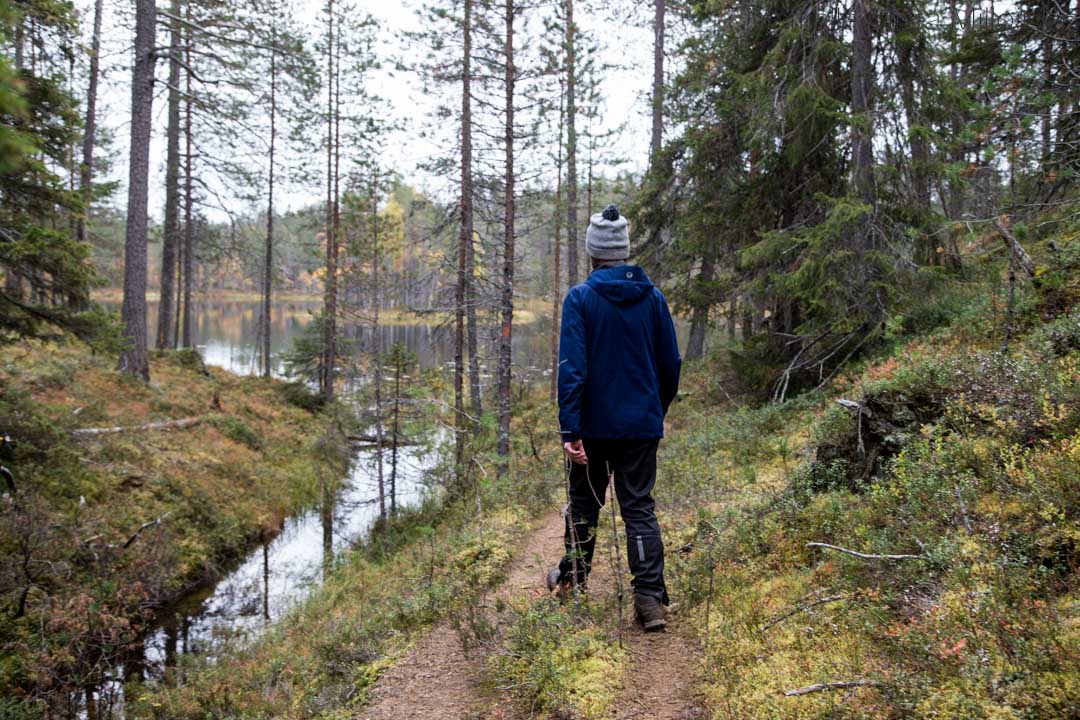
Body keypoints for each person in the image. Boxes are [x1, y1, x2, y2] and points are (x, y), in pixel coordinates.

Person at [547, 203, 682, 631]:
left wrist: (571, 428)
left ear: (593, 252)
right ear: (623, 251)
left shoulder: (581, 299)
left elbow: (572, 369)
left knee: (585, 506)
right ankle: (649, 600)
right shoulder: (653, 298)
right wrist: (653, 410)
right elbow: (670, 364)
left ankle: (572, 583)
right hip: (639, 426)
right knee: (639, 508)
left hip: (592, 428)